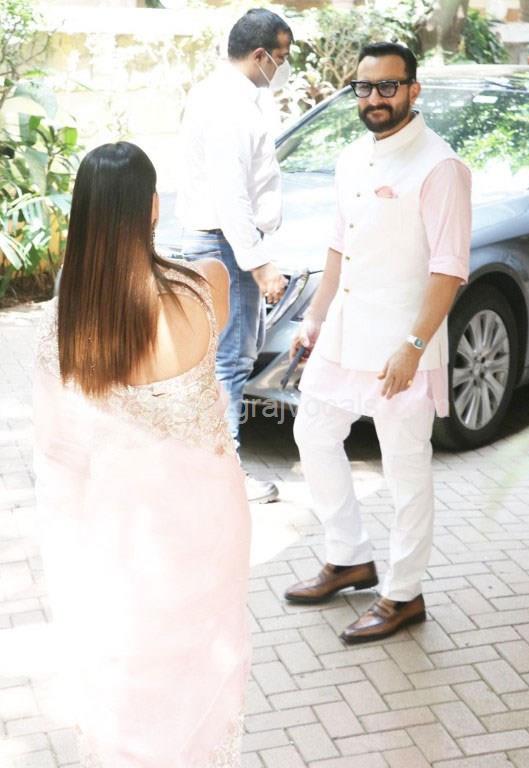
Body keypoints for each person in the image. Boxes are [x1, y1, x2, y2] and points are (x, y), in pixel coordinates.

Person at [33, 142, 251, 766]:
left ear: (82, 213)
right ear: (153, 207)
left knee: (130, 674)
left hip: (122, 526)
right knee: (206, 664)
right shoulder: (206, 285)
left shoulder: (62, 328)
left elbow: (59, 458)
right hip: (211, 517)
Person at [284, 42, 472, 644]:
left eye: (388, 87)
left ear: (414, 89)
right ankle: (349, 557)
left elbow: (449, 269)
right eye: (363, 89)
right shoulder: (351, 158)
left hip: (402, 342)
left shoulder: (441, 167)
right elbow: (339, 245)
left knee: (404, 467)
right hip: (344, 331)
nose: (374, 99)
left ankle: (403, 593)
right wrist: (314, 316)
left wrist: (413, 346)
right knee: (313, 432)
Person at [176, 8, 293, 504]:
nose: (284, 66)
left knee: (216, 360)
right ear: (260, 55)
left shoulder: (219, 93)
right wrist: (260, 263)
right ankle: (224, 475)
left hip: (217, 242)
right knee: (230, 361)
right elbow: (232, 195)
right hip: (225, 244)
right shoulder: (231, 105)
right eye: (282, 56)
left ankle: (203, 467)